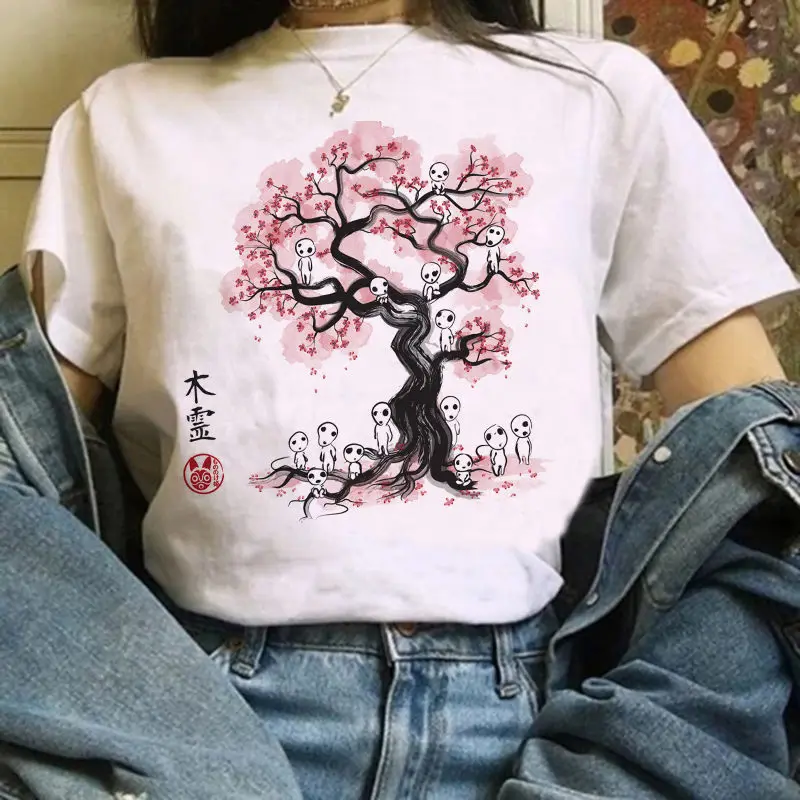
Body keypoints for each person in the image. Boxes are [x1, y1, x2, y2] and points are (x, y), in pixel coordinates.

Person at [18, 0, 799, 796]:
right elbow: (23, 473)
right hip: (207, 714)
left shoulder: (597, 96)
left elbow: (763, 468)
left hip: (524, 712)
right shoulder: (126, 116)